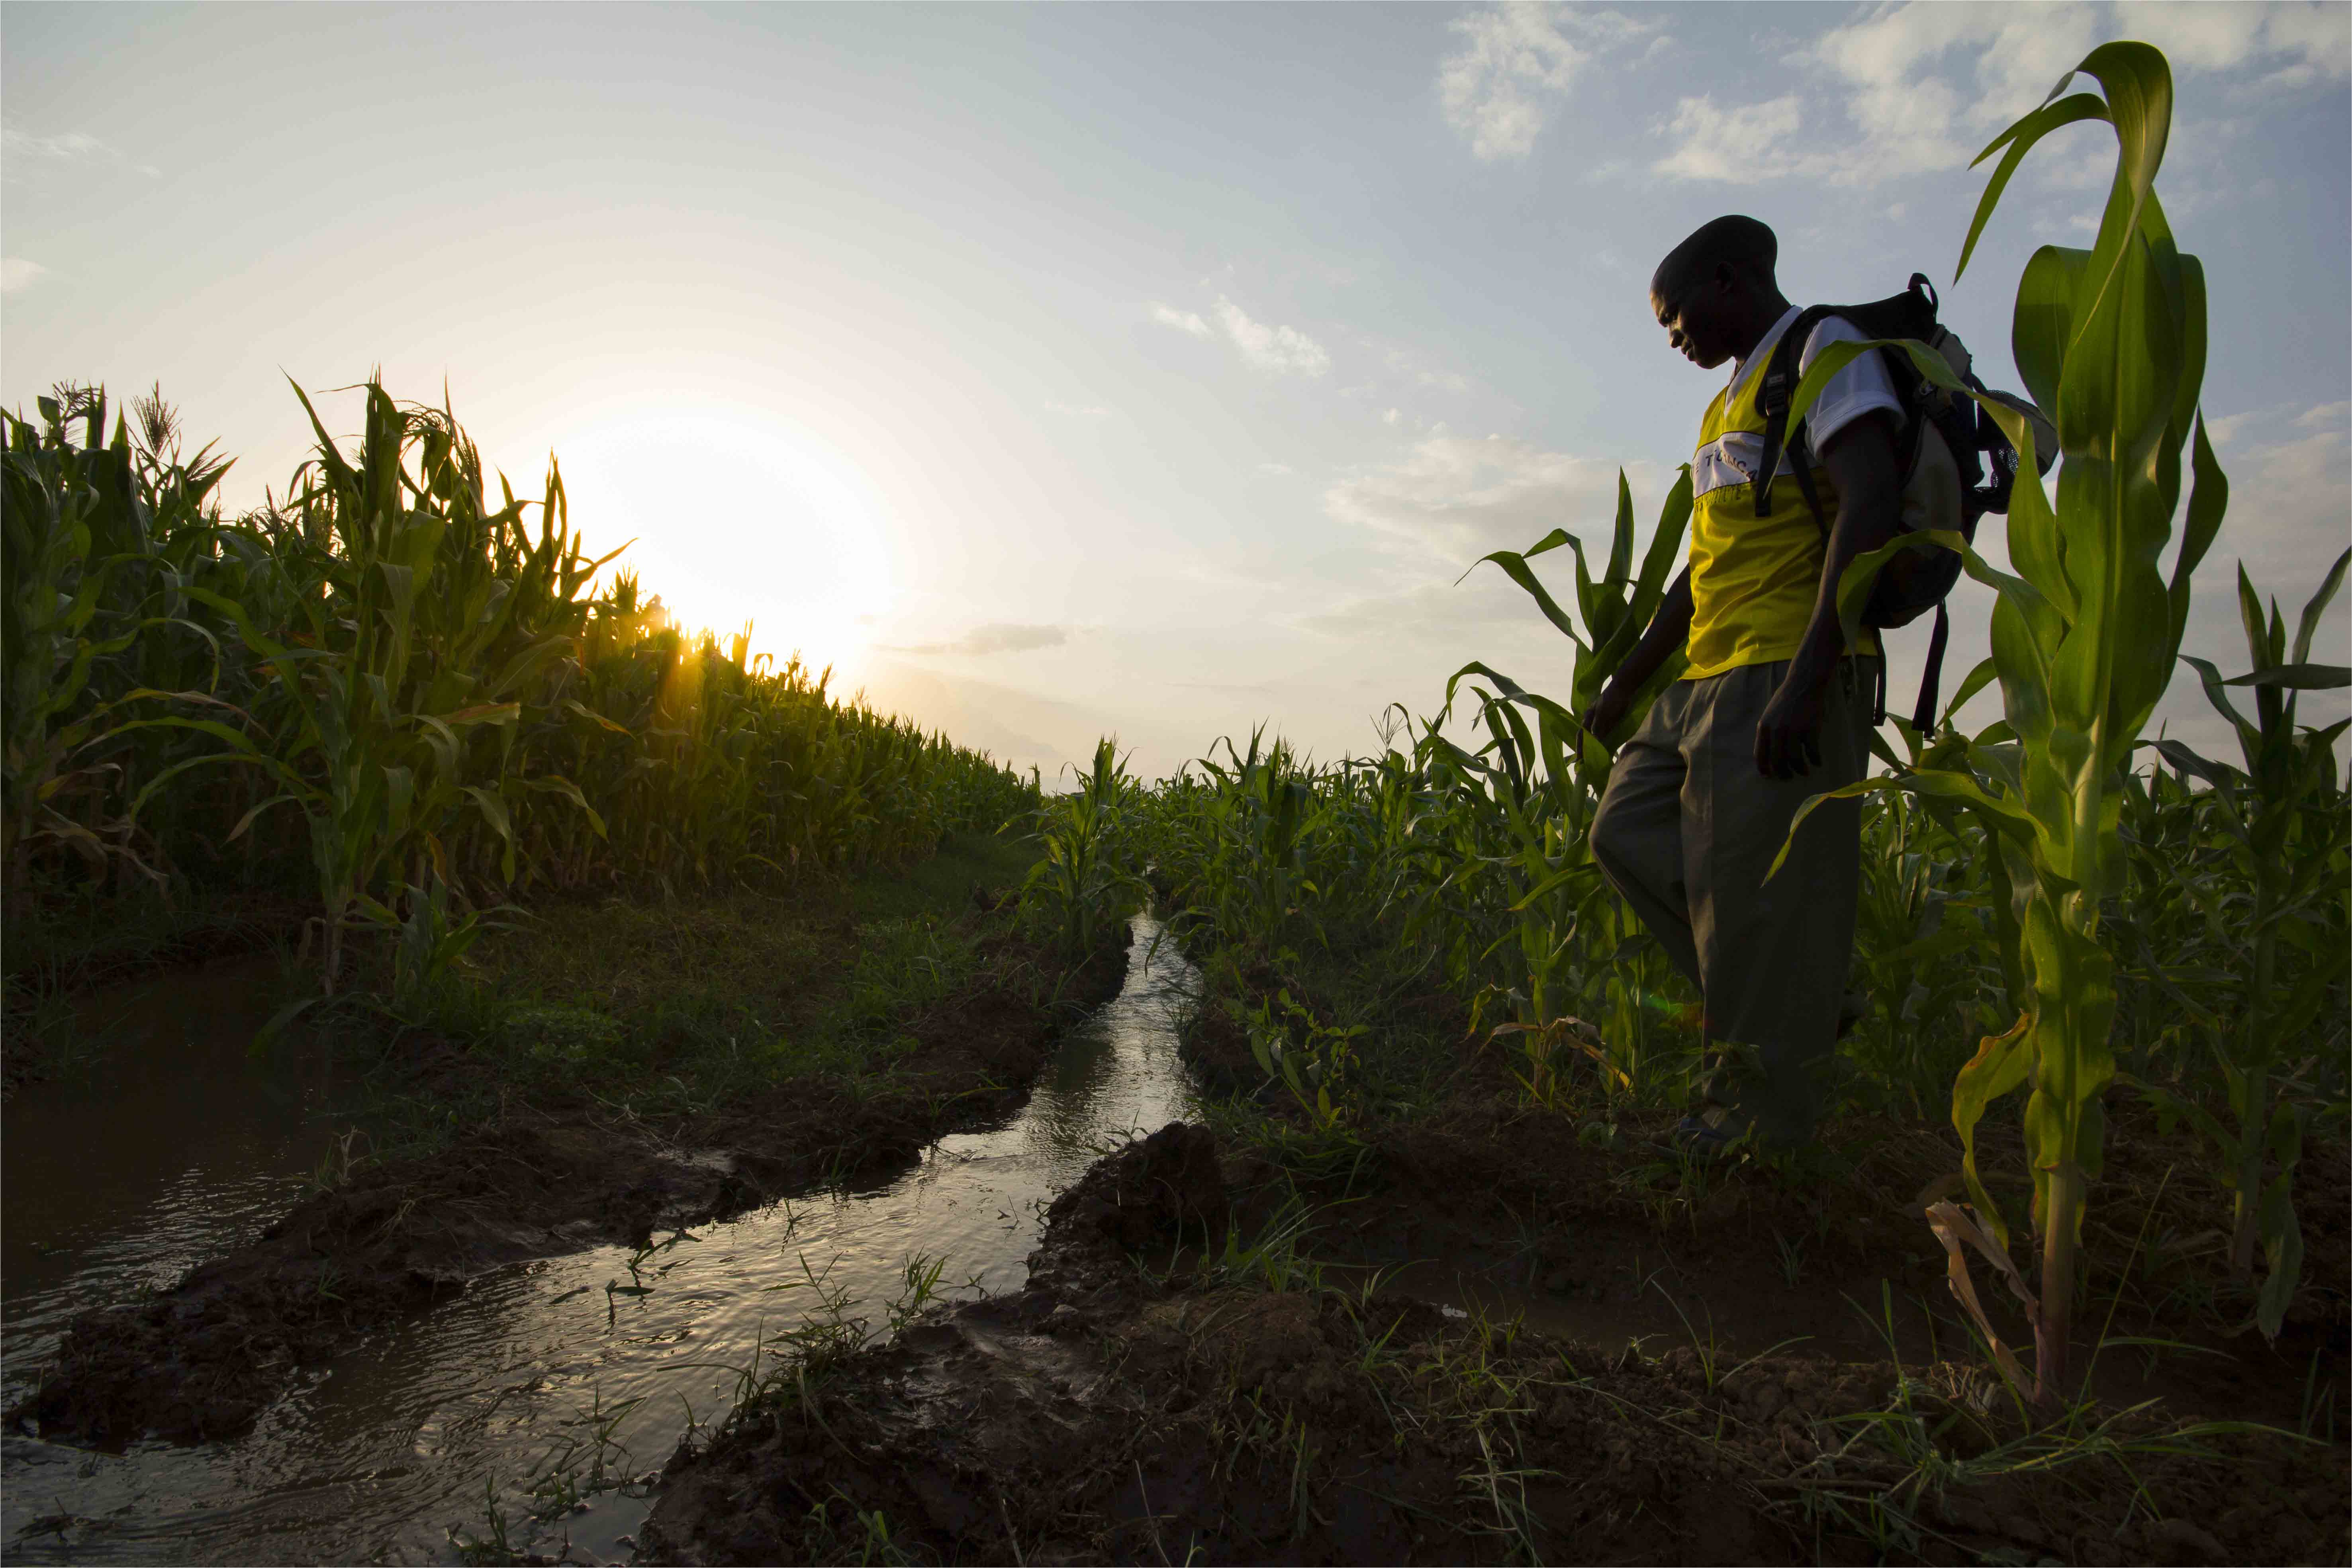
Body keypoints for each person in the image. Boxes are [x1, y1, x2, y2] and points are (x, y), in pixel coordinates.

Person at [1580, 215, 1903, 1153]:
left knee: (1740, 896)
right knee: (1626, 836)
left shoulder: (1822, 352)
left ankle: (1754, 1123)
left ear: (1729, 281)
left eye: (1676, 317)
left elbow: (1871, 505)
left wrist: (1807, 678)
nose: (1673, 339)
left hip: (1780, 663)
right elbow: (1702, 567)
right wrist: (1629, 681)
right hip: (1705, 675)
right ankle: (1802, 998)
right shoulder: (1729, 403)